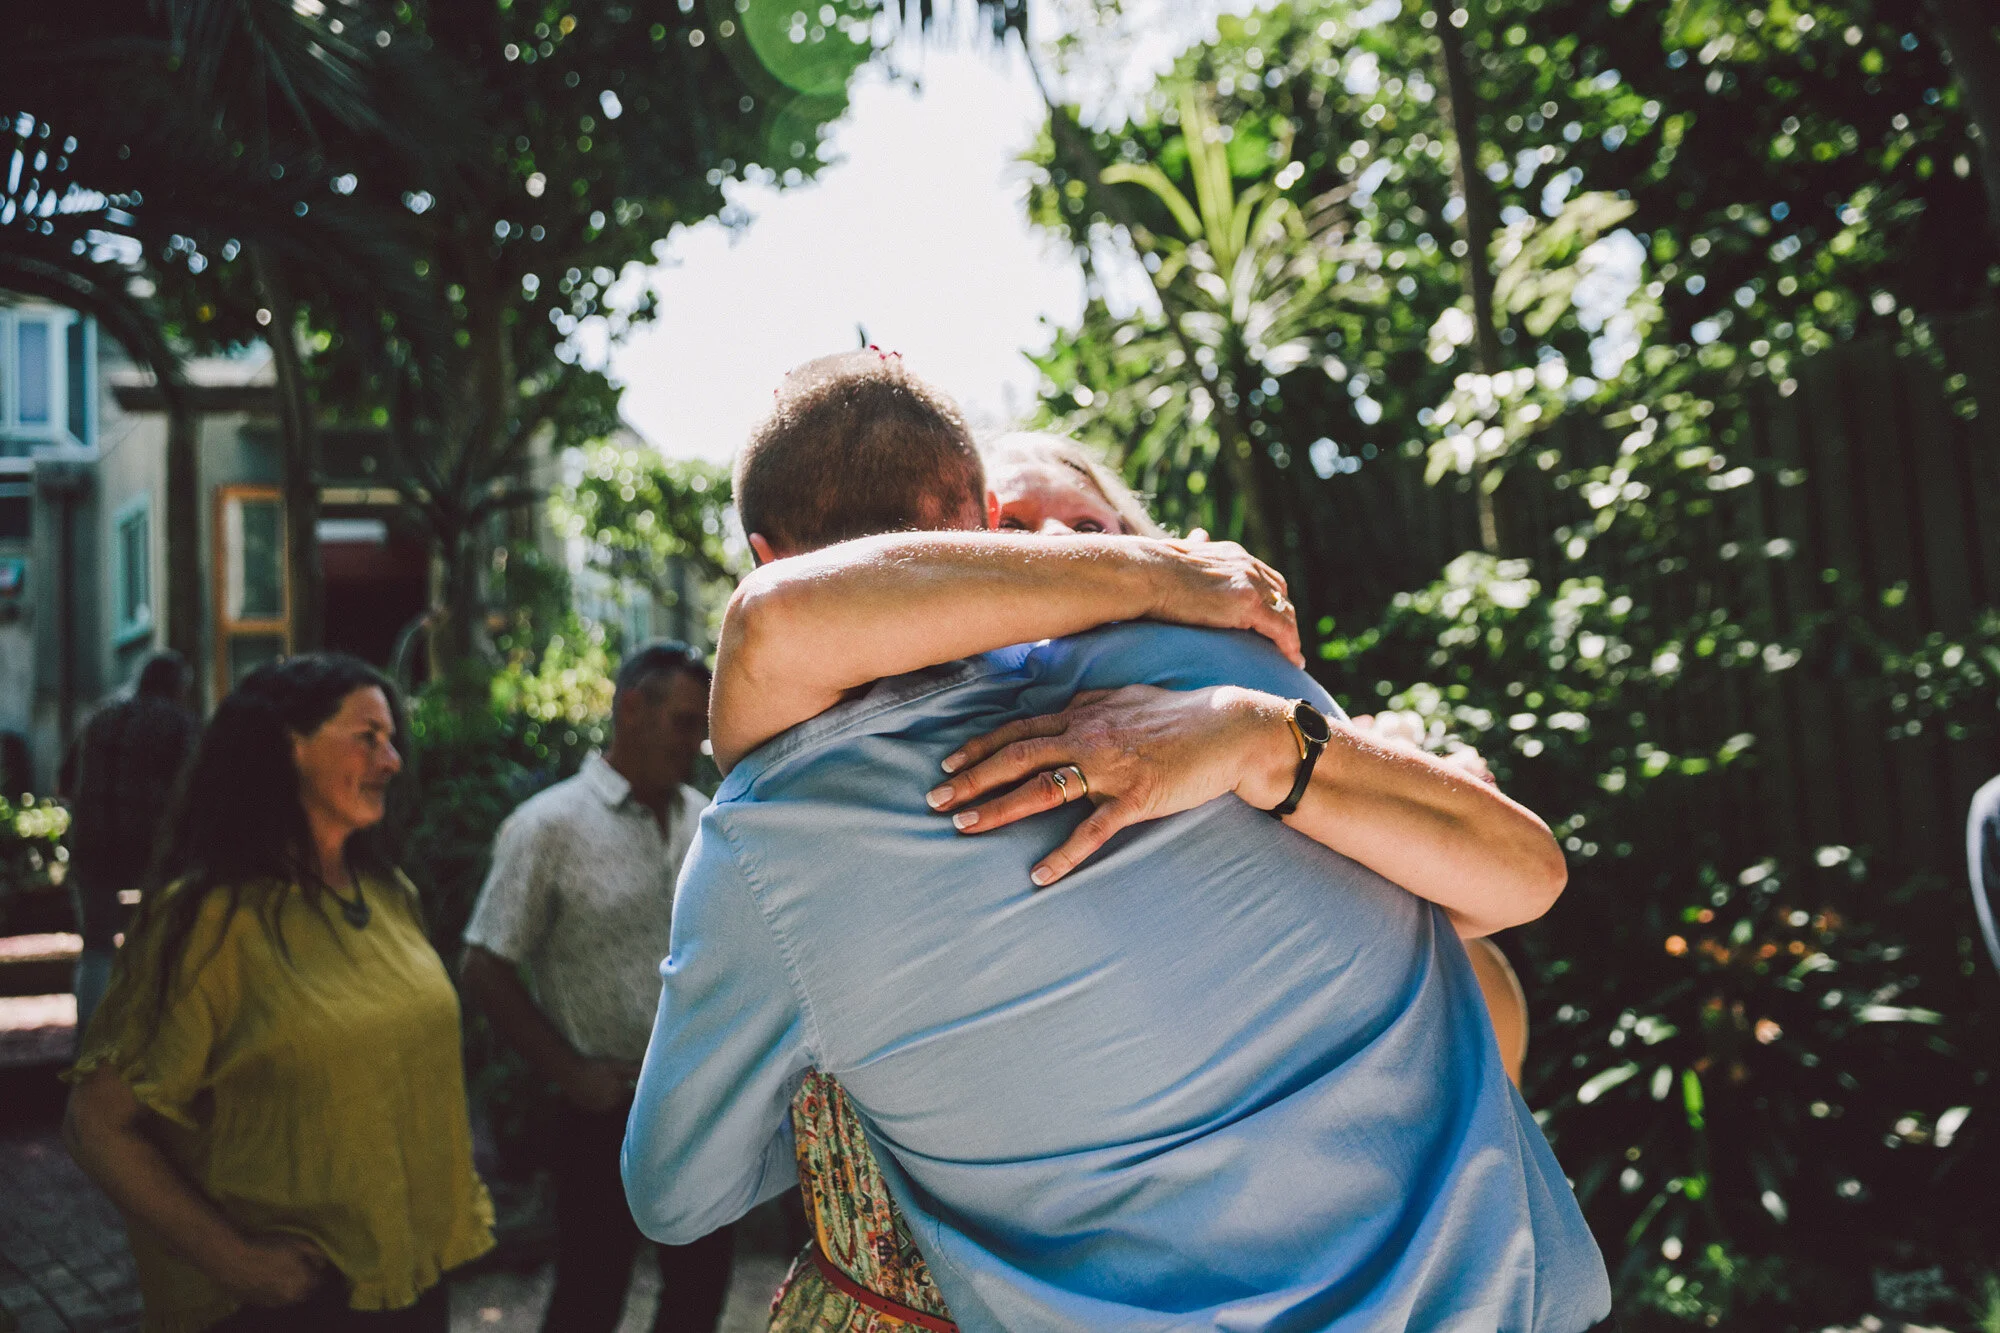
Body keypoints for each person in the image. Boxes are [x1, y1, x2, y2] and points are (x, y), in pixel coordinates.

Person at [626, 352, 1612, 1331]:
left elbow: (674, 1195)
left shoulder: (766, 843)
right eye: (1025, 542)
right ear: (974, 527)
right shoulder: (1223, 655)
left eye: (1084, 536)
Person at [63, 654, 494, 1333]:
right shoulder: (208, 921)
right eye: (366, 737)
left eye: (391, 740)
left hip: (408, 1281)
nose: (392, 761)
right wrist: (235, 1260)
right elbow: (97, 1124)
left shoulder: (388, 893)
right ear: (285, 748)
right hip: (286, 1306)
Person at [461, 641, 734, 1333]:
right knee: (589, 1294)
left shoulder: (708, 816)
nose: (697, 741)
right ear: (631, 710)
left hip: (695, 1101)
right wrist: (569, 1072)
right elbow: (483, 965)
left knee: (700, 1290)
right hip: (600, 1111)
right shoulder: (548, 826)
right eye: (682, 721)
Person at [61, 650, 199, 1037]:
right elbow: (196, 790)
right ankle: (158, 1029)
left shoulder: (98, 718)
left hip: (91, 843)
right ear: (176, 687)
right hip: (151, 845)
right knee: (167, 934)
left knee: (97, 944)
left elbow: (65, 782)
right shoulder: (178, 723)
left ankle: (91, 1033)